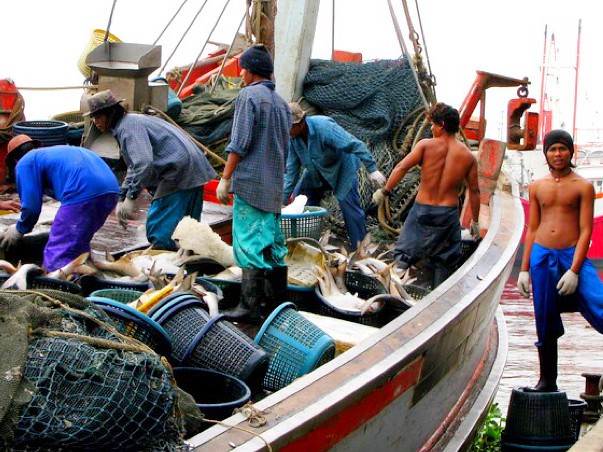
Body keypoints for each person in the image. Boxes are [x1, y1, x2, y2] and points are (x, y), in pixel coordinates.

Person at [517, 129, 603, 392]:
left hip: (570, 254)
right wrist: (524, 269)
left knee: (598, 301)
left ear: (571, 152)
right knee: (544, 316)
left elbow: (586, 230)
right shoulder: (537, 186)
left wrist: (575, 270)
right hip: (542, 256)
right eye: (552, 149)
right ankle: (547, 381)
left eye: (562, 149)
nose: (557, 154)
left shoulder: (583, 186)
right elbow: (532, 228)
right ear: (546, 154)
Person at [216, 44, 292, 323]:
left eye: (243, 70)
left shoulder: (248, 97)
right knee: (273, 245)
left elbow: (239, 143)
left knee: (248, 244)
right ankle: (277, 304)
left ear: (249, 71)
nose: (241, 75)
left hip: (250, 185)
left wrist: (225, 179)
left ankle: (249, 308)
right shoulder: (283, 104)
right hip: (273, 187)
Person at [86, 89, 217, 250]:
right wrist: (122, 197)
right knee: (188, 230)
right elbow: (134, 166)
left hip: (178, 170)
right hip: (194, 166)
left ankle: (168, 269)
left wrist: (132, 197)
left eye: (99, 117)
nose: (95, 122)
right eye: (93, 118)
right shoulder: (132, 121)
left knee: (160, 232)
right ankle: (186, 265)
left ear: (112, 112)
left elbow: (143, 163)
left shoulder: (127, 128)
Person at [373, 102, 481, 287]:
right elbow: (475, 191)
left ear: (442, 125)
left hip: (422, 210)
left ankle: (393, 293)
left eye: (433, 124)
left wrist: (384, 191)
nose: (431, 128)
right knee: (444, 261)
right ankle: (437, 299)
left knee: (404, 255)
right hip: (447, 214)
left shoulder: (425, 146)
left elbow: (402, 167)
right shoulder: (468, 156)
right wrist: (476, 222)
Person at [0, 134, 119, 272]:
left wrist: (19, 229)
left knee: (59, 251)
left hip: (83, 192)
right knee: (77, 244)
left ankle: (57, 289)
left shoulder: (25, 162)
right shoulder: (53, 153)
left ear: (14, 159)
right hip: (111, 190)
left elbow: (31, 207)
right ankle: (82, 279)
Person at [283, 102, 386, 250]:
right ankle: (304, 244)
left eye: (289, 126)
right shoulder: (292, 138)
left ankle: (360, 249)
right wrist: (283, 198)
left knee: (349, 208)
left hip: (340, 169)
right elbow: (291, 170)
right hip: (315, 172)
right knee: (300, 202)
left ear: (301, 122)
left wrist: (372, 169)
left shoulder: (324, 127)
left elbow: (355, 144)